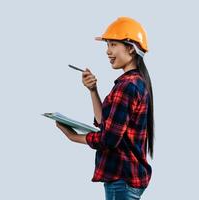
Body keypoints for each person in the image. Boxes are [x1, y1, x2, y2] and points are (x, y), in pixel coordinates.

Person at [55, 16, 154, 200]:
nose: (108, 52)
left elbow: (108, 139)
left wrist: (72, 136)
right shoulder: (136, 82)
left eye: (113, 45)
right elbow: (106, 125)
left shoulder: (127, 86)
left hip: (122, 179)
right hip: (128, 179)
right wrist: (93, 90)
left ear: (131, 48)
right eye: (107, 45)